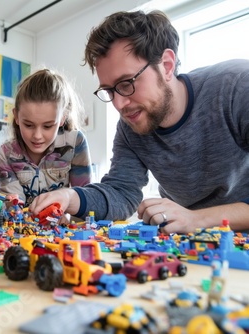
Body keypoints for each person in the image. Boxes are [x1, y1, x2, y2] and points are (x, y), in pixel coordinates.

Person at [29, 10, 249, 234]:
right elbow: (121, 192)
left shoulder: (238, 87)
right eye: (109, 91)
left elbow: (192, 219)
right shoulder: (130, 128)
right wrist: (70, 196)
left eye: (126, 83)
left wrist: (197, 219)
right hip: (189, 243)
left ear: (166, 65)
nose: (119, 104)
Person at [0, 68, 92, 208]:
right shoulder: (7, 153)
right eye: (29, 125)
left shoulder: (75, 143)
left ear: (62, 119)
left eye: (47, 126)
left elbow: (84, 196)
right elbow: (14, 207)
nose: (37, 136)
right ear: (16, 116)